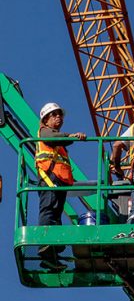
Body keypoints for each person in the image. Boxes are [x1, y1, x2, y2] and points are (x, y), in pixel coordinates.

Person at [34, 102, 86, 270]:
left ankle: (52, 254)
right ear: (46, 119)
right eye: (54, 114)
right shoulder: (46, 132)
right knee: (49, 210)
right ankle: (45, 247)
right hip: (50, 178)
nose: (59, 117)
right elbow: (54, 139)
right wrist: (72, 136)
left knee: (55, 214)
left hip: (59, 180)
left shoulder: (57, 137)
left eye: (60, 114)